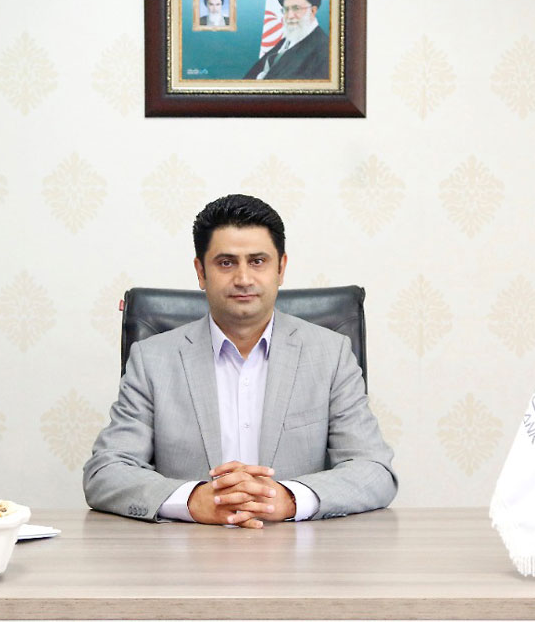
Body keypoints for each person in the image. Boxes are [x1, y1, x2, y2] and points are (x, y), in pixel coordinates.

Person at [84, 194, 397, 528]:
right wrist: (192, 500)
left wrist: (289, 498)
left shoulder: (331, 355)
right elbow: (106, 472)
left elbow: (374, 470)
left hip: (297, 549)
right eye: (226, 263)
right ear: (201, 272)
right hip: (189, 549)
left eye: (258, 261)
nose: (244, 278)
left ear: (281, 268)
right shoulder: (152, 360)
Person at [244, 0, 330, 80]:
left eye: (296, 8)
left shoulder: (324, 51)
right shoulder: (286, 42)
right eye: (286, 9)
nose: (290, 16)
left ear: (312, 11)